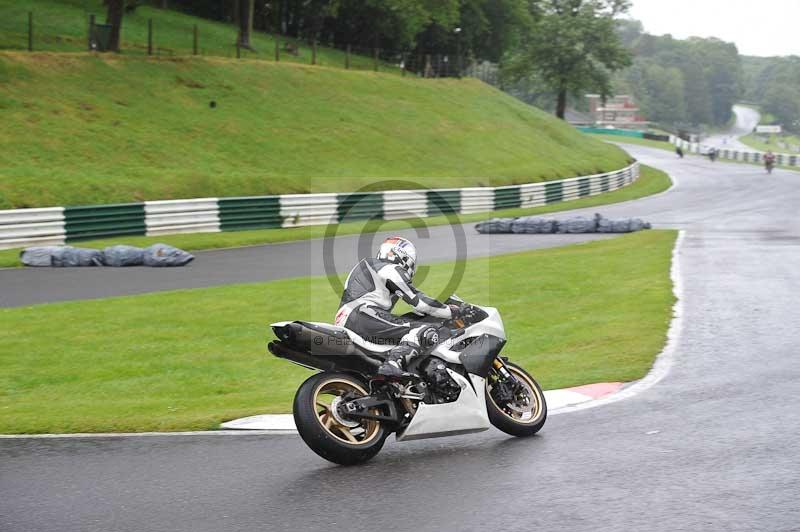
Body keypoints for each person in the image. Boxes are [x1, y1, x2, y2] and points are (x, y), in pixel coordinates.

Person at [335, 236, 461, 379]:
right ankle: (393, 364)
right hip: (361, 315)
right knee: (423, 330)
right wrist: (452, 311)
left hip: (350, 319)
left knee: (407, 326)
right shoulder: (388, 268)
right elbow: (421, 303)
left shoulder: (369, 267)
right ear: (403, 258)